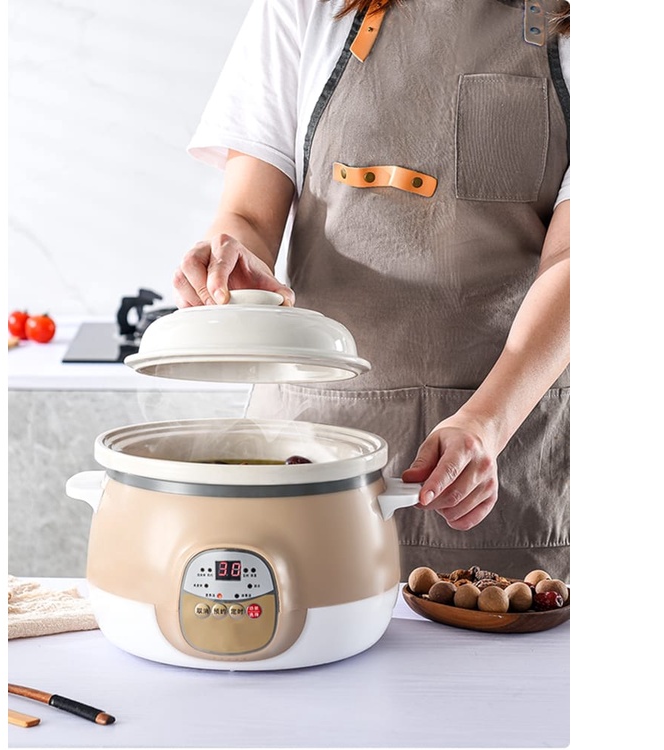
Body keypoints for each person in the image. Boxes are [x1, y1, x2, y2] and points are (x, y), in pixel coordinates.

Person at [173, 0, 571, 583]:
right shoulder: (304, 7)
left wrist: (487, 422)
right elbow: (248, 216)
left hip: (501, 450)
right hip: (311, 446)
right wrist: (229, 258)